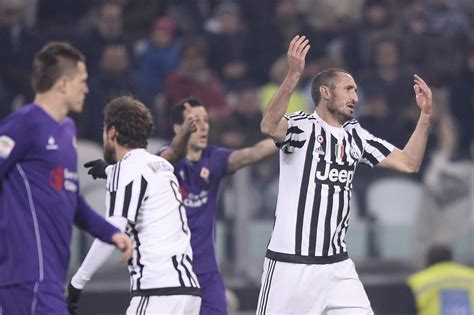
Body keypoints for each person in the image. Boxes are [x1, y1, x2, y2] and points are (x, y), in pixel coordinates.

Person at [257, 35, 433, 314]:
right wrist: (293, 75)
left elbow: (409, 163)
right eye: (349, 89)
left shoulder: (356, 136)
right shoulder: (303, 127)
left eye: (356, 90)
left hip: (338, 266)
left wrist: (424, 118)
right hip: (292, 264)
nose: (355, 97)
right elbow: (268, 126)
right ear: (326, 93)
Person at [0, 42, 133, 315]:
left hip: (49, 276)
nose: (86, 88)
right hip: (27, 274)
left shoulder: (67, 131)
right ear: (62, 83)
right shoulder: (24, 123)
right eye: (81, 81)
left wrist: (111, 234)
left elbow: (70, 197)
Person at [67, 96, 202, 315]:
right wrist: (108, 170)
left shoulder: (126, 170)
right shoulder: (162, 166)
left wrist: (76, 284)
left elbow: (113, 229)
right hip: (188, 293)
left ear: (112, 132)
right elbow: (141, 175)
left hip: (157, 293)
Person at [159, 97, 278, 314]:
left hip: (206, 272)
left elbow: (251, 154)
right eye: (195, 122)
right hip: (170, 271)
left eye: (206, 120)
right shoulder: (163, 161)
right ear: (178, 127)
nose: (203, 127)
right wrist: (183, 135)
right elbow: (171, 155)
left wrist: (287, 136)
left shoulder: (214, 157)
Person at [407, 245, 474, 315]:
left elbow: (407, 308)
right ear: (451, 258)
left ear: (428, 261)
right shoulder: (471, 275)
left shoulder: (416, 280)